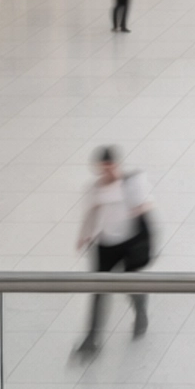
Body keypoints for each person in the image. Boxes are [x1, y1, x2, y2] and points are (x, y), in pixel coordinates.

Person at [71, 147, 154, 357]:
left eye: (110, 167)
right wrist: (84, 235)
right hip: (105, 245)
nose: (106, 172)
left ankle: (140, 311)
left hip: (130, 244)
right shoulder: (95, 189)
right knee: (99, 292)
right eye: (103, 168)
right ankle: (92, 338)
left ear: (116, 165)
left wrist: (136, 207)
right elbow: (90, 212)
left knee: (130, 286)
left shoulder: (132, 182)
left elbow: (147, 204)